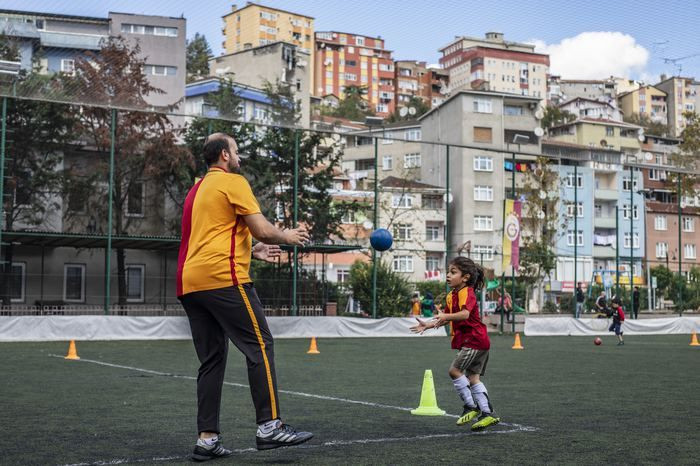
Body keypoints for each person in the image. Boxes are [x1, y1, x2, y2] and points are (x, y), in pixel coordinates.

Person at [177, 133, 313, 460]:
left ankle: (207, 439)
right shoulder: (233, 182)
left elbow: (209, 237)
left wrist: (253, 249)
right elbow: (263, 228)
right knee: (260, 345)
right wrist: (287, 236)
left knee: (212, 361)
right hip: (224, 279)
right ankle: (270, 426)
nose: (239, 157)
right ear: (224, 155)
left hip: (190, 283)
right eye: (235, 151)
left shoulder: (196, 190)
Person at [410, 257, 500, 431]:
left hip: (474, 340)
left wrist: (445, 316)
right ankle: (488, 414)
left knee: (454, 371)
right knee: (473, 378)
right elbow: (448, 317)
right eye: (448, 272)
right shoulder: (452, 295)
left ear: (465, 277)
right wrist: (429, 325)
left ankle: (471, 406)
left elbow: (465, 314)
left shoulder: (467, 292)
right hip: (475, 341)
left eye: (453, 272)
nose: (448, 276)